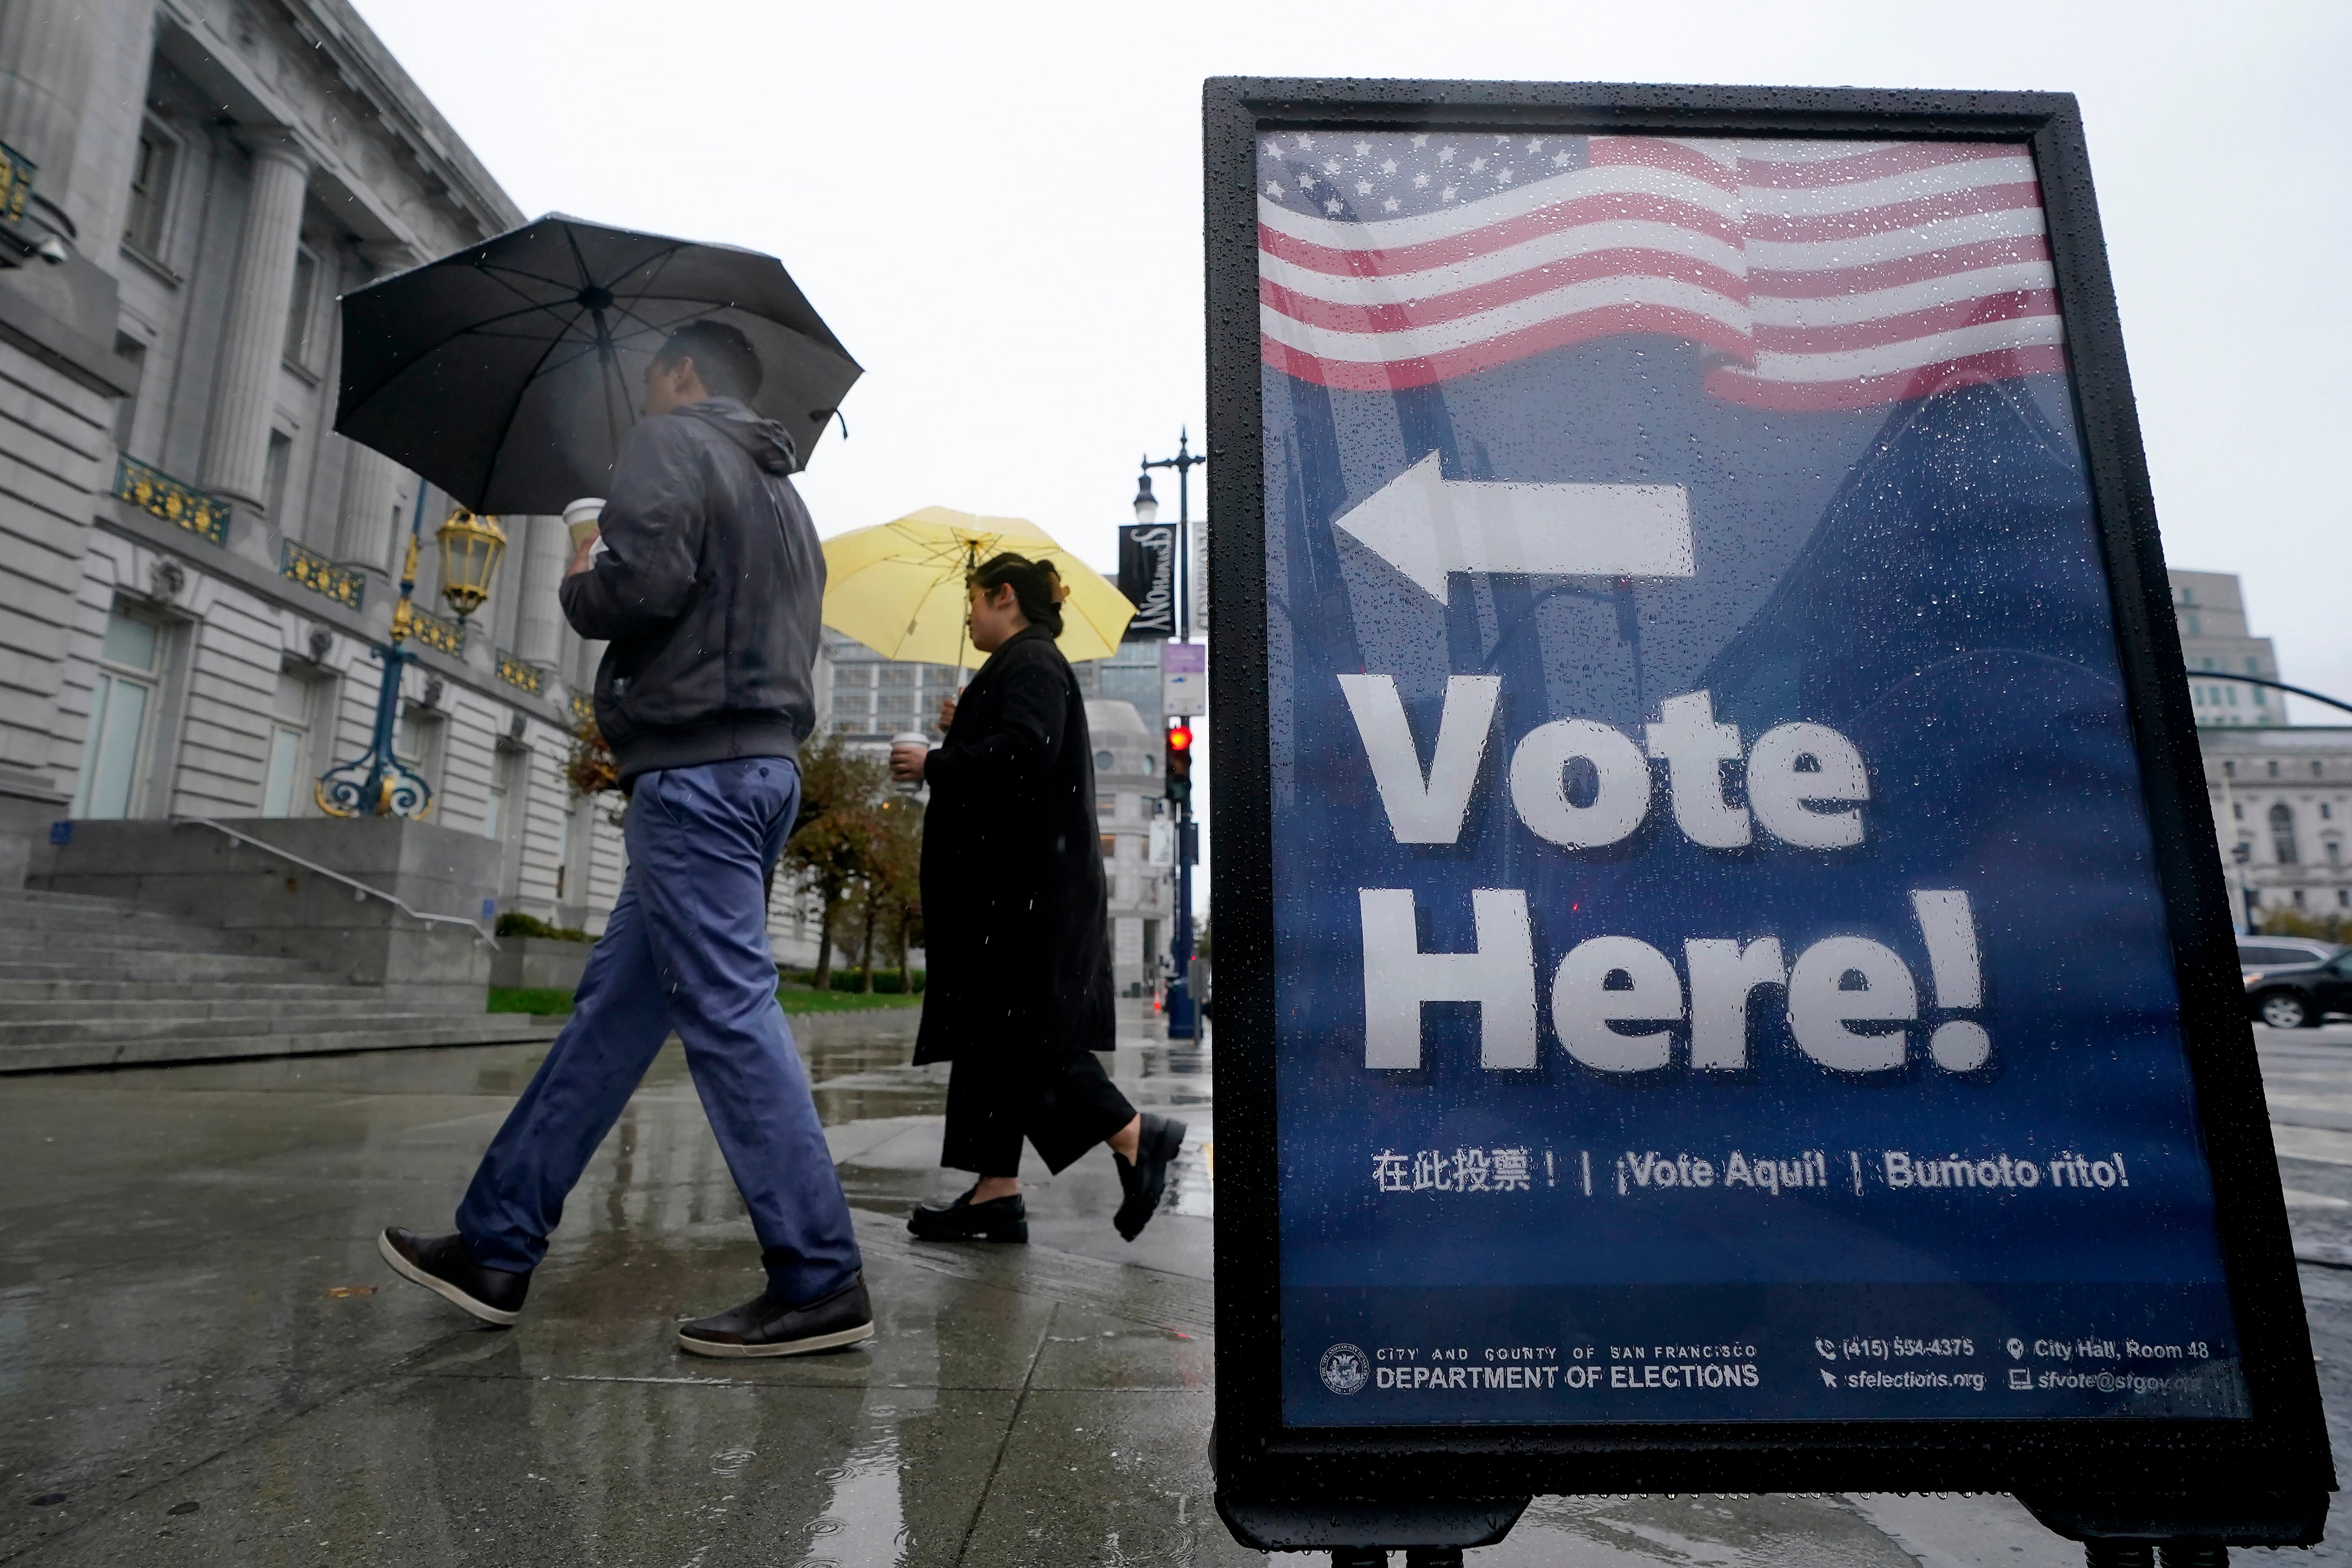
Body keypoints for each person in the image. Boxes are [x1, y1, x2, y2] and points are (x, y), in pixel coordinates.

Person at [380, 320, 871, 1358]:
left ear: (682, 374)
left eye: (649, 378)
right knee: (612, 1019)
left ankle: (820, 1275)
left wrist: (580, 563)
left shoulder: (669, 444)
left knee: (732, 1017)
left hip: (695, 770)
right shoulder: (785, 497)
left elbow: (634, 594)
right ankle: (496, 1244)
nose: (641, 399)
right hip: (759, 765)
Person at [890, 553, 1185, 1244]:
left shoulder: (1032, 662)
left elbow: (1023, 756)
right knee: (993, 1042)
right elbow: (1017, 747)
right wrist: (964, 726)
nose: (968, 616)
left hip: (1027, 901)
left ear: (1005, 598)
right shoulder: (1024, 666)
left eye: (974, 601)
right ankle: (996, 1191)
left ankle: (1140, 1135)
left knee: (1030, 1043)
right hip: (1016, 898)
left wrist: (934, 760)